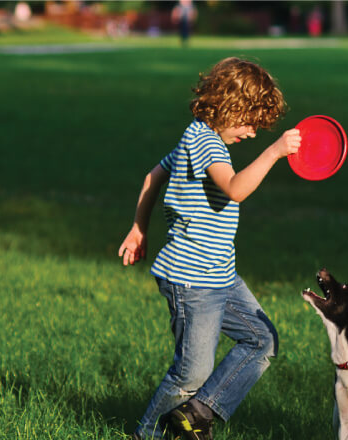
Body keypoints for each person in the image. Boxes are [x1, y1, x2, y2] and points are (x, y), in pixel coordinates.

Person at [119, 57, 301, 440]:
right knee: (191, 374)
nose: (253, 133)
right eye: (250, 122)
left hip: (221, 275)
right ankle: (148, 435)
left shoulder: (200, 138)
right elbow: (235, 189)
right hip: (191, 280)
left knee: (261, 340)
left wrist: (139, 227)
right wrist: (274, 152)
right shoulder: (204, 142)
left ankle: (197, 413)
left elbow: (154, 175)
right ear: (229, 106)